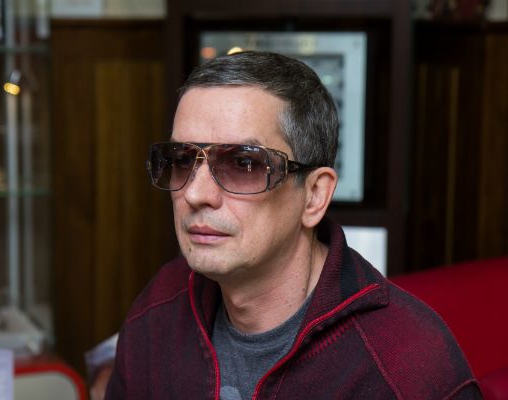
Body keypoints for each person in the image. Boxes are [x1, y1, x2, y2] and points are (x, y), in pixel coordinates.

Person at [104, 51, 481, 399]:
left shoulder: (407, 367)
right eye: (182, 160)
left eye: (244, 164)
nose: (195, 193)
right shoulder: (159, 308)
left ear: (314, 196)